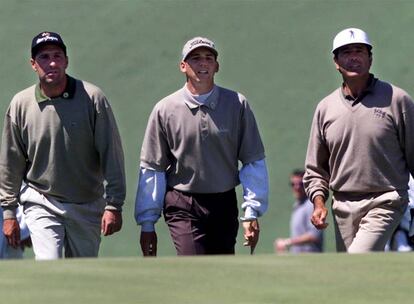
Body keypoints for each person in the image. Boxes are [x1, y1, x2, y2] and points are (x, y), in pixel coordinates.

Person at [134, 36, 268, 256]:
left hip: (224, 201)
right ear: (183, 66)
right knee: (193, 265)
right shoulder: (165, 109)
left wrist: (251, 211)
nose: (202, 63)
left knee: (222, 270)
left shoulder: (236, 104)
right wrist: (147, 223)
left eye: (208, 58)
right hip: (182, 203)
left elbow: (253, 160)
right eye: (195, 58)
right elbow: (153, 168)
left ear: (217, 66)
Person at [0, 31, 126, 260]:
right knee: (49, 265)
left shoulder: (92, 98)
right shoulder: (20, 104)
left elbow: (112, 153)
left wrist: (114, 205)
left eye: (57, 56)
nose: (52, 63)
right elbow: (10, 162)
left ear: (66, 60)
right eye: (44, 57)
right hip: (41, 201)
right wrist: (9, 213)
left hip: (87, 204)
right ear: (33, 64)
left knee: (83, 276)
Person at [304, 28, 414, 253]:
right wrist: (318, 202)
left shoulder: (398, 99)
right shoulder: (325, 108)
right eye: (346, 52)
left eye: (359, 51)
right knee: (351, 272)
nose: (353, 57)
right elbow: (316, 168)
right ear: (336, 61)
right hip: (342, 205)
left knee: (357, 256)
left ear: (370, 59)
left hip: (386, 199)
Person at [274, 169, 323, 253]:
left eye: (301, 184)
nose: (297, 187)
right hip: (297, 258)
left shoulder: (311, 205)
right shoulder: (297, 205)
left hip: (311, 259)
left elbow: (314, 235)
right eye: (293, 184)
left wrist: (287, 242)